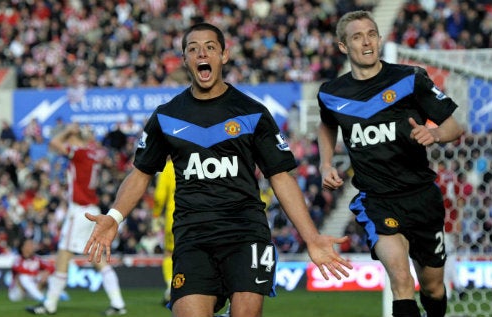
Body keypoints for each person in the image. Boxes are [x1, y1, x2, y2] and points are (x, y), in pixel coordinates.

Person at [83, 22, 352, 317]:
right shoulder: (167, 116)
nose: (202, 53)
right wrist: (114, 217)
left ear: (224, 55)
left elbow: (280, 177)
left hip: (245, 232)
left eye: (210, 47)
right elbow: (141, 173)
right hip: (192, 235)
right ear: (185, 59)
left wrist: (312, 238)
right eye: (193, 48)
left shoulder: (252, 112)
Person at [316, 10, 464, 317]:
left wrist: (434, 134)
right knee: (400, 278)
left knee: (433, 286)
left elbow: (455, 126)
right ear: (343, 46)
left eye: (372, 34)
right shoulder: (331, 94)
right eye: (357, 36)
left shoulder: (410, 79)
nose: (367, 41)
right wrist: (325, 163)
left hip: (422, 195)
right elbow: (327, 124)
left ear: (380, 39)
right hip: (378, 200)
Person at [26, 123, 127, 316]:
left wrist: (67, 131)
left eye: (70, 139)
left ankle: (49, 305)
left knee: (63, 254)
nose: (67, 142)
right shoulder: (94, 153)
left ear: (75, 139)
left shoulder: (79, 152)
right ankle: (118, 303)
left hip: (79, 210)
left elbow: (55, 142)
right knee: (100, 259)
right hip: (93, 210)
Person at [153, 158, 175, 306]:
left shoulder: (168, 168)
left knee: (169, 253)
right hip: (198, 216)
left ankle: (170, 288)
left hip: (174, 217)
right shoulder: (194, 158)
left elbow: (159, 196)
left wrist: (155, 214)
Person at [9, 238, 54, 303]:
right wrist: (39, 273)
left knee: (49, 275)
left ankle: (59, 294)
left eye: (32, 244)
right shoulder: (17, 259)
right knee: (23, 277)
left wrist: (46, 273)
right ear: (22, 248)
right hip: (18, 292)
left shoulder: (36, 259)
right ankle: (41, 298)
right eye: (29, 245)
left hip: (32, 291)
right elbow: (20, 270)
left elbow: (51, 267)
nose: (32, 247)